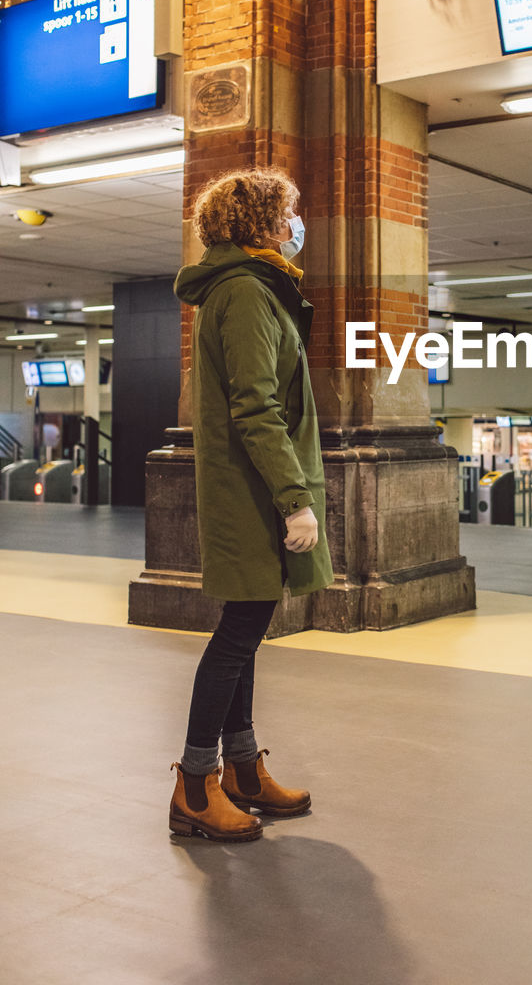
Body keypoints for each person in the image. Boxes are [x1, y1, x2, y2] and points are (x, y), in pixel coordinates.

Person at [168, 166, 334, 842]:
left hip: (255, 487)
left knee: (246, 629)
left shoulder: (255, 288)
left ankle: (239, 768)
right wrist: (295, 500)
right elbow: (255, 406)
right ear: (261, 224)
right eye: (288, 214)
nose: (297, 226)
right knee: (238, 634)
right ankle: (194, 786)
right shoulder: (242, 292)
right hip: (253, 492)